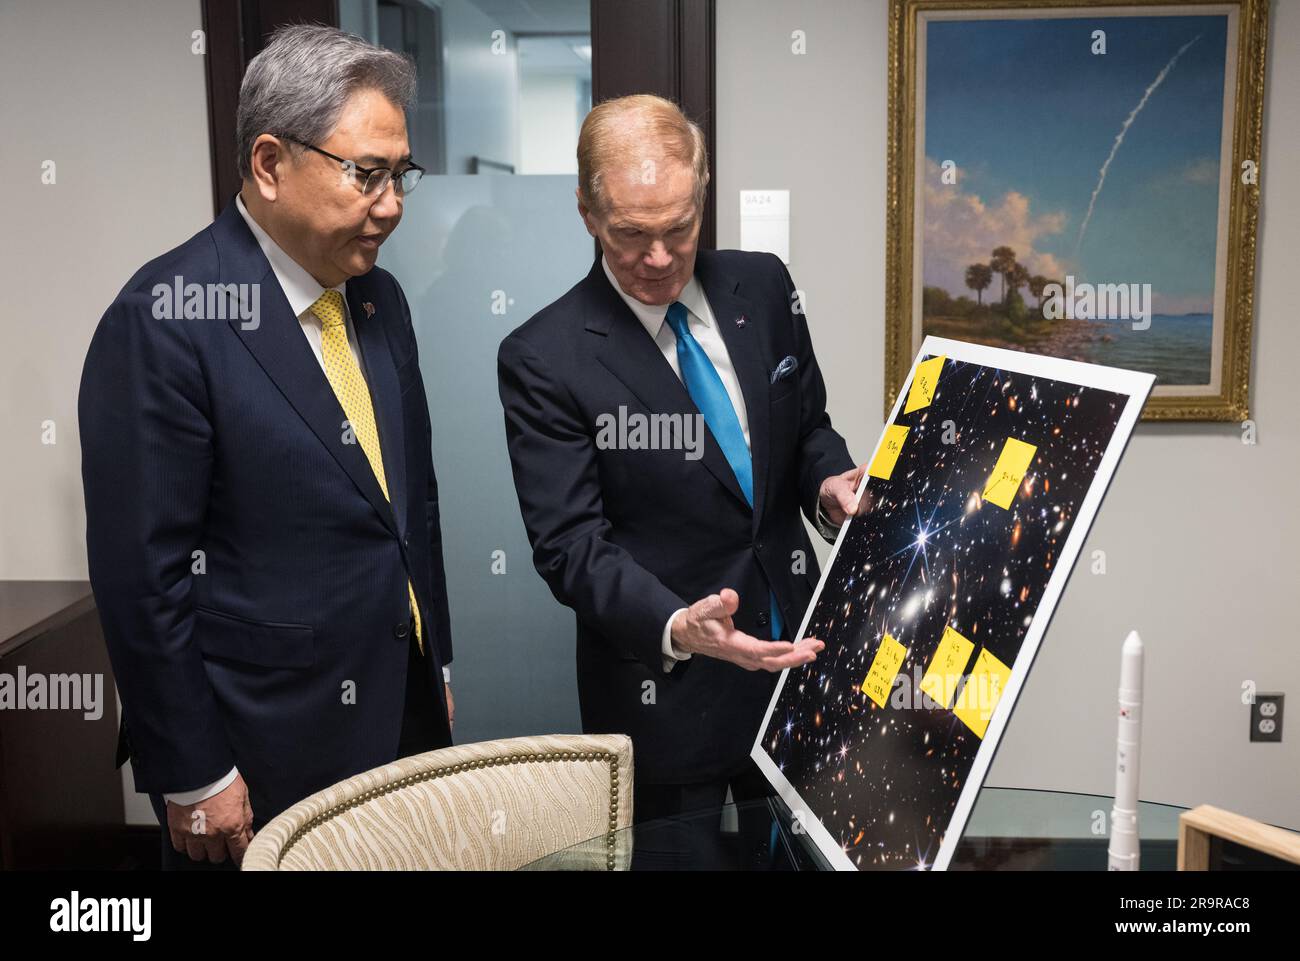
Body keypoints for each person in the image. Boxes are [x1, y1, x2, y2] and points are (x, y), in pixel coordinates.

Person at [78, 25, 454, 870]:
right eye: (366, 174)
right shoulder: (167, 319)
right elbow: (144, 576)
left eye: (401, 175)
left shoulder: (379, 300)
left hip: (397, 718)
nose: (391, 203)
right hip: (259, 752)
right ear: (270, 163)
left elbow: (410, 500)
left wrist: (436, 660)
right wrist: (194, 770)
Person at [497, 94, 867, 860]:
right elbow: (570, 544)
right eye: (633, 235)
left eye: (679, 229)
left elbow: (807, 432)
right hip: (665, 696)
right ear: (586, 211)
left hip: (795, 661)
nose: (660, 258)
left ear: (702, 196)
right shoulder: (544, 356)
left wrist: (831, 486)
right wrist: (676, 624)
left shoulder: (762, 287)